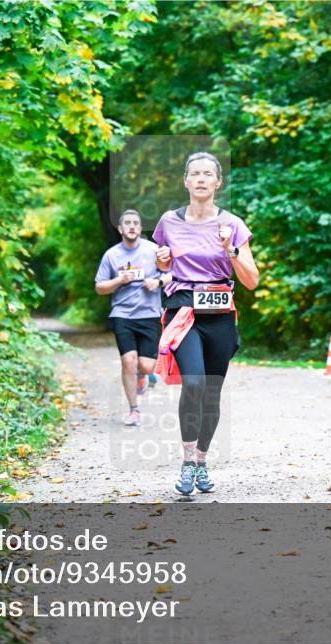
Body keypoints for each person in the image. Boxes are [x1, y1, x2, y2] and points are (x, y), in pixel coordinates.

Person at [153, 152, 259, 495]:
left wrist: (230, 248)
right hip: (183, 310)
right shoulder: (168, 222)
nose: (200, 178)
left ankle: (201, 461)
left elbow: (252, 280)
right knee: (195, 383)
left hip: (220, 311)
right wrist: (162, 262)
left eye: (207, 174)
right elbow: (161, 270)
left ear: (217, 182)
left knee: (211, 392)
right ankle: (186, 461)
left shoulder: (233, 224)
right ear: (185, 181)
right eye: (194, 173)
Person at [95, 209, 170, 426]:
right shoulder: (111, 255)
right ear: (120, 229)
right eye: (127, 223)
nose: (131, 226)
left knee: (146, 366)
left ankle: (143, 375)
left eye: (136, 223)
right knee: (128, 361)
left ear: (140, 228)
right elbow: (100, 288)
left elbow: (174, 273)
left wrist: (158, 283)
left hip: (149, 313)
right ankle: (134, 410)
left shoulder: (154, 250)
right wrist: (119, 280)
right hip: (122, 314)